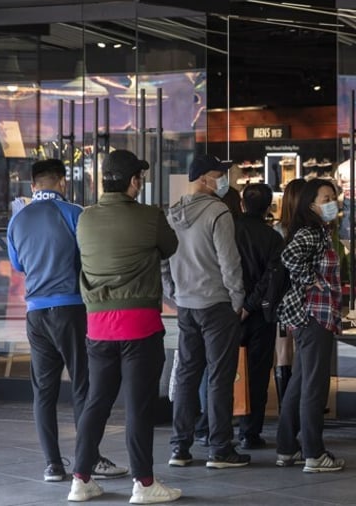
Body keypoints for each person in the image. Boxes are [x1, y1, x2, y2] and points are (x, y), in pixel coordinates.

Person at [5, 159, 127, 484]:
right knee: (83, 385)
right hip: (71, 308)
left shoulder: (18, 219)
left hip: (36, 313)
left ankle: (52, 465)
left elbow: (18, 265)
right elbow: (89, 256)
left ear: (33, 185)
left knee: (43, 391)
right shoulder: (75, 213)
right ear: (62, 182)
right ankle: (90, 459)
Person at [70, 149, 181, 503]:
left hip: (98, 326)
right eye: (141, 178)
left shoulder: (84, 218)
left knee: (96, 402)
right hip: (140, 325)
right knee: (138, 406)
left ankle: (80, 479)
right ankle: (144, 484)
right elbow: (170, 246)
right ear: (134, 181)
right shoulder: (150, 216)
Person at [164, 153, 249, 469]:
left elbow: (163, 261)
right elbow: (230, 262)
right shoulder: (218, 211)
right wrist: (237, 300)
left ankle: (179, 447)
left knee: (187, 374)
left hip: (186, 305)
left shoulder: (172, 212)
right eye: (218, 174)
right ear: (203, 178)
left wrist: (172, 292)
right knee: (220, 376)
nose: (225, 180)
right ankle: (220, 448)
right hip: (217, 304)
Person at [275, 178, 346, 473]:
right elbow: (289, 256)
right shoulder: (312, 231)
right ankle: (314, 454)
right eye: (326, 197)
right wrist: (310, 278)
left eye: (333, 197)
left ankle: (287, 448)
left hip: (310, 316)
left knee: (300, 381)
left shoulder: (319, 231)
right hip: (314, 314)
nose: (332, 203)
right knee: (314, 386)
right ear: (311, 203)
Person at [234, 183, 285, 449]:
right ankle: (249, 432)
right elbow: (270, 279)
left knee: (222, 371)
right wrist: (250, 305)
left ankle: (215, 428)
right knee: (257, 373)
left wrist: (238, 304)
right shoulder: (273, 238)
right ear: (268, 207)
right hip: (259, 314)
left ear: (242, 204)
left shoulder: (228, 230)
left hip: (228, 312)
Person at [272, 178, 304, 404]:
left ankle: (286, 404)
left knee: (283, 350)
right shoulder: (311, 231)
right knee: (304, 350)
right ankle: (302, 401)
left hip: (282, 298)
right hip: (304, 297)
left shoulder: (277, 231)